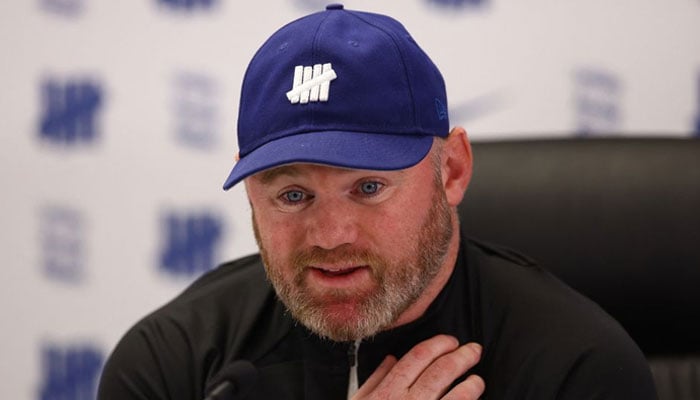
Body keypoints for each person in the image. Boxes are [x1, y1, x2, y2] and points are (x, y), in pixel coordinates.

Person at [98, 4, 658, 400]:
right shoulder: (176, 363)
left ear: (453, 170)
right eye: (293, 195)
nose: (330, 235)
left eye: (368, 187)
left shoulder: (575, 367)